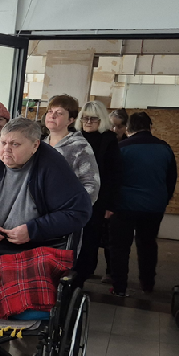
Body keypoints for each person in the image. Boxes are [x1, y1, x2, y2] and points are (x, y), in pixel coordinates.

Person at [0, 116, 92, 356]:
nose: (6, 149)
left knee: (29, 307)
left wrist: (34, 230)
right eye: (4, 142)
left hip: (32, 251)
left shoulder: (52, 166)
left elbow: (79, 212)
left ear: (35, 145)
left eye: (15, 144)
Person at [107, 112, 177, 297]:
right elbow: (171, 180)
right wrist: (163, 200)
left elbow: (113, 178)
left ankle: (119, 287)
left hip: (124, 205)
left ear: (128, 128)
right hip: (154, 206)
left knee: (120, 247)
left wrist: (111, 203)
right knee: (147, 244)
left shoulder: (121, 148)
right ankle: (147, 284)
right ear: (150, 127)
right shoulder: (165, 148)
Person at [73, 100, 121, 286]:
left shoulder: (109, 140)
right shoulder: (74, 137)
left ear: (101, 120)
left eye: (93, 118)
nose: (88, 122)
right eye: (85, 118)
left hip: (98, 200)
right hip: (75, 197)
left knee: (90, 238)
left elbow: (113, 175)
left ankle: (82, 275)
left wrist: (110, 205)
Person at [43, 94, 100, 204]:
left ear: (70, 120)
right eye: (50, 111)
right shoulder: (40, 145)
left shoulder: (80, 147)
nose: (52, 116)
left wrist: (73, 209)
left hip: (64, 210)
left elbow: (91, 185)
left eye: (59, 113)